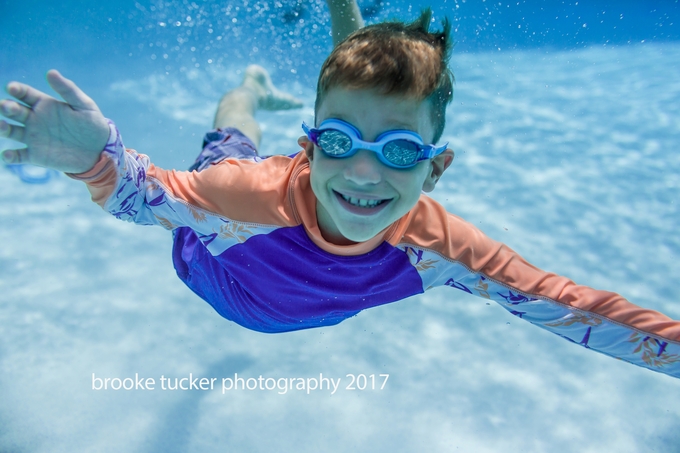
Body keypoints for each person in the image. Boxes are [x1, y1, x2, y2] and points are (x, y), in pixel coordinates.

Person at [0, 1, 679, 380]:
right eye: (339, 143)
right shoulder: (242, 196)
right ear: (309, 145)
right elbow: (141, 192)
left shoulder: (438, 247)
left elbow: (574, 307)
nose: (362, 172)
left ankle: (337, 22)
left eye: (401, 150)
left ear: (434, 169)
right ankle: (252, 89)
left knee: (359, 100)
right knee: (230, 131)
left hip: (272, 263)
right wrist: (94, 158)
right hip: (212, 266)